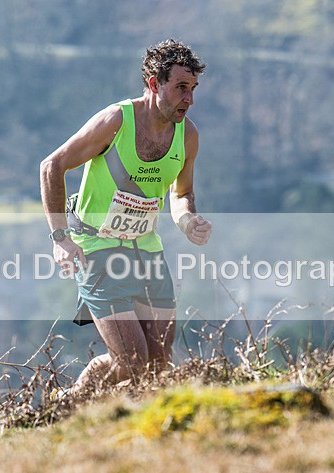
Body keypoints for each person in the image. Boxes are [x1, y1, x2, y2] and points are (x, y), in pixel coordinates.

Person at [40, 38, 212, 397]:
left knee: (158, 365)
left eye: (193, 89)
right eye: (181, 88)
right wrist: (60, 239)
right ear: (154, 84)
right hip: (98, 251)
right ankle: (70, 405)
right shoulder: (116, 121)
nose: (189, 99)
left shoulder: (188, 134)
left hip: (147, 253)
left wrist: (188, 221)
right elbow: (52, 166)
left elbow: (181, 193)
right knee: (134, 361)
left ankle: (75, 405)